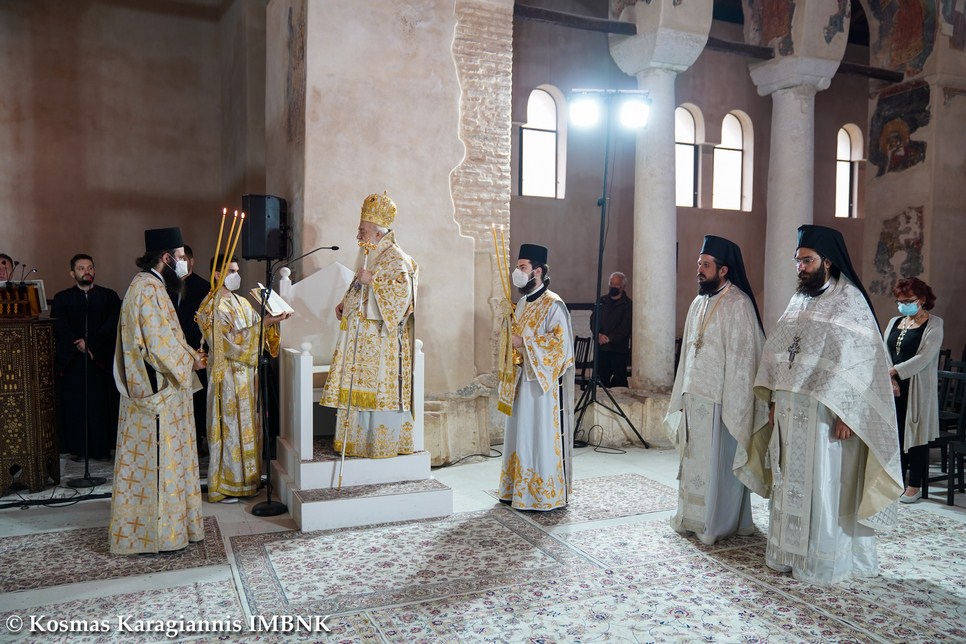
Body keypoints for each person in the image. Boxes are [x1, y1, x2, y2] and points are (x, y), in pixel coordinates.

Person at [754, 224, 902, 586]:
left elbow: (861, 362)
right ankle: (786, 552)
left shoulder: (850, 301)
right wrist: (773, 398)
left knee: (824, 482)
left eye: (807, 260)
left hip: (827, 412)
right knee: (788, 480)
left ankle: (820, 559)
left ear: (828, 261)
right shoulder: (799, 299)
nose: (800, 267)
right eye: (798, 260)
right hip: (789, 409)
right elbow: (779, 352)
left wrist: (850, 413)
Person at [665, 236, 770, 545]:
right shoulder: (698, 302)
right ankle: (691, 516)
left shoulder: (738, 303)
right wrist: (682, 391)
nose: (699, 269)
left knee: (716, 464)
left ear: (723, 270)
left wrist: (734, 400)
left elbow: (744, 358)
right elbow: (689, 352)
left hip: (721, 400)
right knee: (694, 462)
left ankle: (715, 523)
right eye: (699, 263)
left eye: (706, 265)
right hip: (694, 395)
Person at [110, 227, 207, 554]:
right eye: (179, 257)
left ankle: (171, 529)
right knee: (159, 461)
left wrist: (190, 354)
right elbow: (156, 344)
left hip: (160, 386)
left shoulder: (148, 285)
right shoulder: (148, 289)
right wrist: (190, 361)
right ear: (166, 257)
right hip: (157, 392)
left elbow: (169, 336)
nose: (183, 263)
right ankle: (160, 534)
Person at [320, 192, 418, 458]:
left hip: (380, 341)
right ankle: (356, 442)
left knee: (376, 393)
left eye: (362, 231)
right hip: (360, 341)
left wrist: (373, 281)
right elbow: (359, 287)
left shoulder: (396, 258)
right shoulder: (371, 254)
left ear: (377, 233)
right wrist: (345, 303)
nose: (358, 236)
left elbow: (402, 298)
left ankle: (379, 445)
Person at [197, 255, 290, 503]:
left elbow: (257, 328)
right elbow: (225, 343)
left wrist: (272, 321)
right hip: (227, 377)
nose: (236, 275)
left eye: (237, 270)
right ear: (217, 274)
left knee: (249, 428)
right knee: (229, 428)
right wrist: (263, 325)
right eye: (231, 271)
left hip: (248, 377)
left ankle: (248, 482)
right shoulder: (210, 306)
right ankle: (226, 485)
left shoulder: (241, 301)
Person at [498, 243, 576, 511]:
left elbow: (560, 345)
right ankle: (516, 490)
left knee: (537, 436)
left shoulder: (554, 304)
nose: (517, 272)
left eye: (523, 267)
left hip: (540, 385)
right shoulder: (521, 304)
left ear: (538, 271)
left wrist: (525, 343)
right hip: (520, 380)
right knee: (518, 433)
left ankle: (540, 494)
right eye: (517, 267)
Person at [50, 254, 121, 461]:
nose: (86, 272)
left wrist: (92, 344)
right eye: (81, 268)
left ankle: (101, 448)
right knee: (76, 405)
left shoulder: (109, 296)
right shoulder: (62, 298)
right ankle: (78, 449)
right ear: (72, 273)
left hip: (100, 360)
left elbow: (113, 323)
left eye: (90, 267)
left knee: (100, 405)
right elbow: (60, 325)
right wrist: (79, 343)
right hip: (74, 360)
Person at [883, 277, 943, 504]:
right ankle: (897, 480)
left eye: (908, 301)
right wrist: (890, 378)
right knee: (895, 434)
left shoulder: (934, 324)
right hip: (893, 386)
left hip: (917, 386)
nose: (903, 305)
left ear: (922, 299)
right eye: (900, 301)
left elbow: (925, 357)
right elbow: (884, 350)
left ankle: (914, 485)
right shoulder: (894, 321)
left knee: (916, 435)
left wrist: (894, 371)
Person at [179, 244, 212, 452]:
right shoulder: (166, 285)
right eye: (177, 259)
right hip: (175, 350)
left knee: (198, 397)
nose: (180, 263)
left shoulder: (204, 288)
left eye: (184, 259)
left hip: (197, 350)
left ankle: (198, 439)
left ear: (192, 261)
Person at [589, 271, 632, 387]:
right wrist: (598, 335)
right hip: (601, 348)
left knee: (619, 382)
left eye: (616, 285)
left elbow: (625, 326)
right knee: (601, 381)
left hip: (618, 349)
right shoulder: (602, 301)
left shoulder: (628, 304)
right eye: (611, 284)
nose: (613, 287)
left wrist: (609, 338)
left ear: (622, 287)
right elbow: (593, 320)